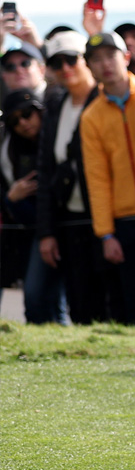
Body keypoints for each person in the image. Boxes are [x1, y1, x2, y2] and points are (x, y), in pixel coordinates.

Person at [80, 31, 135, 325]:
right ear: (89, 67)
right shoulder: (91, 117)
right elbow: (97, 178)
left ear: (126, 57)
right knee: (134, 302)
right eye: (96, 59)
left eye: (110, 55)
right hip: (125, 222)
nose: (105, 64)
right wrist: (106, 233)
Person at [36, 31, 120, 324]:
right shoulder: (56, 105)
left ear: (85, 61)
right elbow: (46, 171)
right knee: (80, 299)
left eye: (71, 60)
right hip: (69, 219)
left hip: (109, 217)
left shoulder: (106, 98)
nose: (65, 69)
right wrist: (47, 232)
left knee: (116, 300)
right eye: (57, 63)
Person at [1, 88, 65, 322]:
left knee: (53, 300)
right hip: (39, 231)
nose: (23, 123)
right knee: (38, 298)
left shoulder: (57, 134)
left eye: (27, 114)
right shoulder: (11, 152)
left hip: (68, 224)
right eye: (15, 121)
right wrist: (12, 199)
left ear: (40, 111)